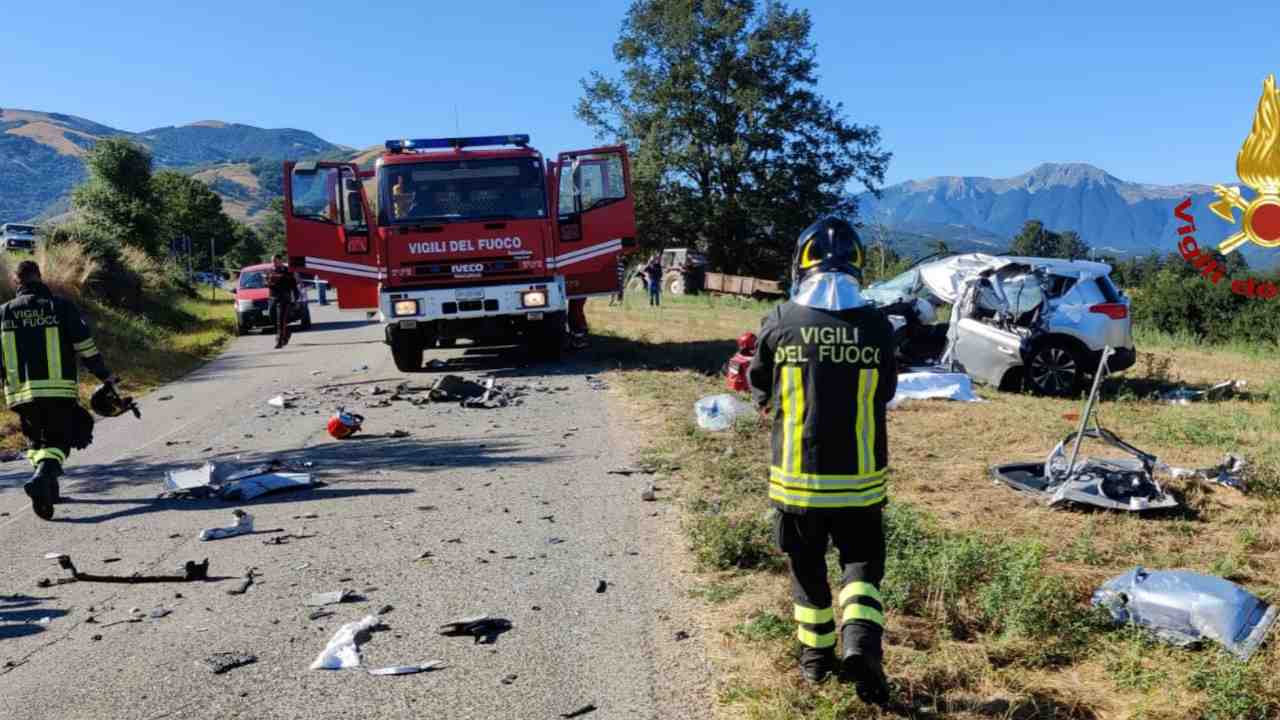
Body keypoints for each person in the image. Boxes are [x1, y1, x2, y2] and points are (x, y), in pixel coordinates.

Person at [747, 218, 897, 701]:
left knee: (807, 572)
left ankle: (815, 662)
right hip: (860, 482)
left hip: (797, 483)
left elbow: (758, 386)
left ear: (801, 264)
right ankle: (861, 643)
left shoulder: (781, 320)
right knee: (861, 565)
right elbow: (888, 391)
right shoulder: (876, 326)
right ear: (857, 264)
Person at [0, 260, 117, 520]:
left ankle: (49, 493)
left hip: (19, 393)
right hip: (57, 390)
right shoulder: (60, 307)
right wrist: (104, 375)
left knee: (37, 441)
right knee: (60, 441)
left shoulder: (4, 312)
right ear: (39, 278)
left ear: (17, 281)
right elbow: (84, 346)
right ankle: (42, 479)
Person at [267, 255, 299, 349]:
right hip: (273, 298)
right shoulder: (270, 271)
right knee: (273, 319)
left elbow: (293, 285)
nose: (274, 263)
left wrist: (295, 299)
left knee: (280, 320)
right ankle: (287, 332)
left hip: (284, 298)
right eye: (272, 261)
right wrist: (269, 281)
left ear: (281, 261)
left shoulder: (287, 270)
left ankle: (279, 341)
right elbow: (267, 284)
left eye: (275, 261)